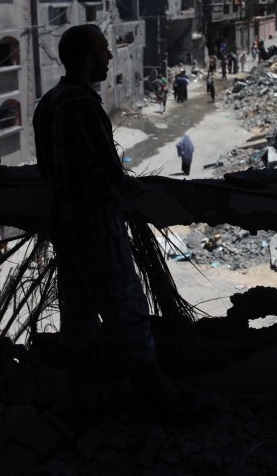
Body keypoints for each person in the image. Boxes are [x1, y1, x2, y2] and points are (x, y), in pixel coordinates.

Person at [32, 24, 179, 416]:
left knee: (77, 316)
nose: (110, 56)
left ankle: (82, 396)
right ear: (87, 59)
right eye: (103, 50)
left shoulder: (47, 103)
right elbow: (111, 180)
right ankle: (160, 394)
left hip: (66, 231)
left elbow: (47, 172)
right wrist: (138, 189)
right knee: (128, 313)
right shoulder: (83, 105)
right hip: (97, 230)